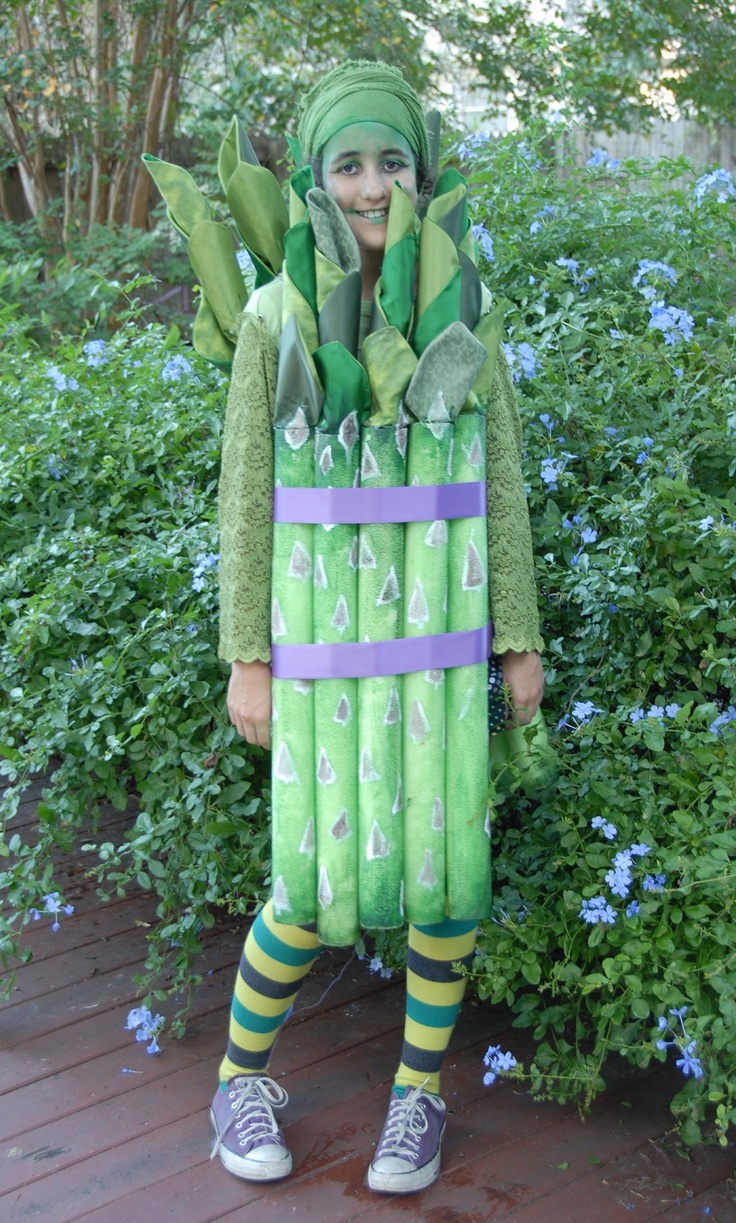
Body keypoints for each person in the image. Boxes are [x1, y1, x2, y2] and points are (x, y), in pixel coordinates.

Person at [212, 60, 544, 1196]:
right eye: (346, 164)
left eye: (389, 162)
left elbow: (499, 475)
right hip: (317, 640)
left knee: (447, 875)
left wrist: (517, 633)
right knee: (307, 884)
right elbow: (246, 492)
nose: (369, 185)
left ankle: (418, 1096)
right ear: (314, 179)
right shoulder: (273, 314)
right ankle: (236, 1077)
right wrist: (246, 655)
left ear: (421, 173)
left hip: (441, 640)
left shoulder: (466, 309)